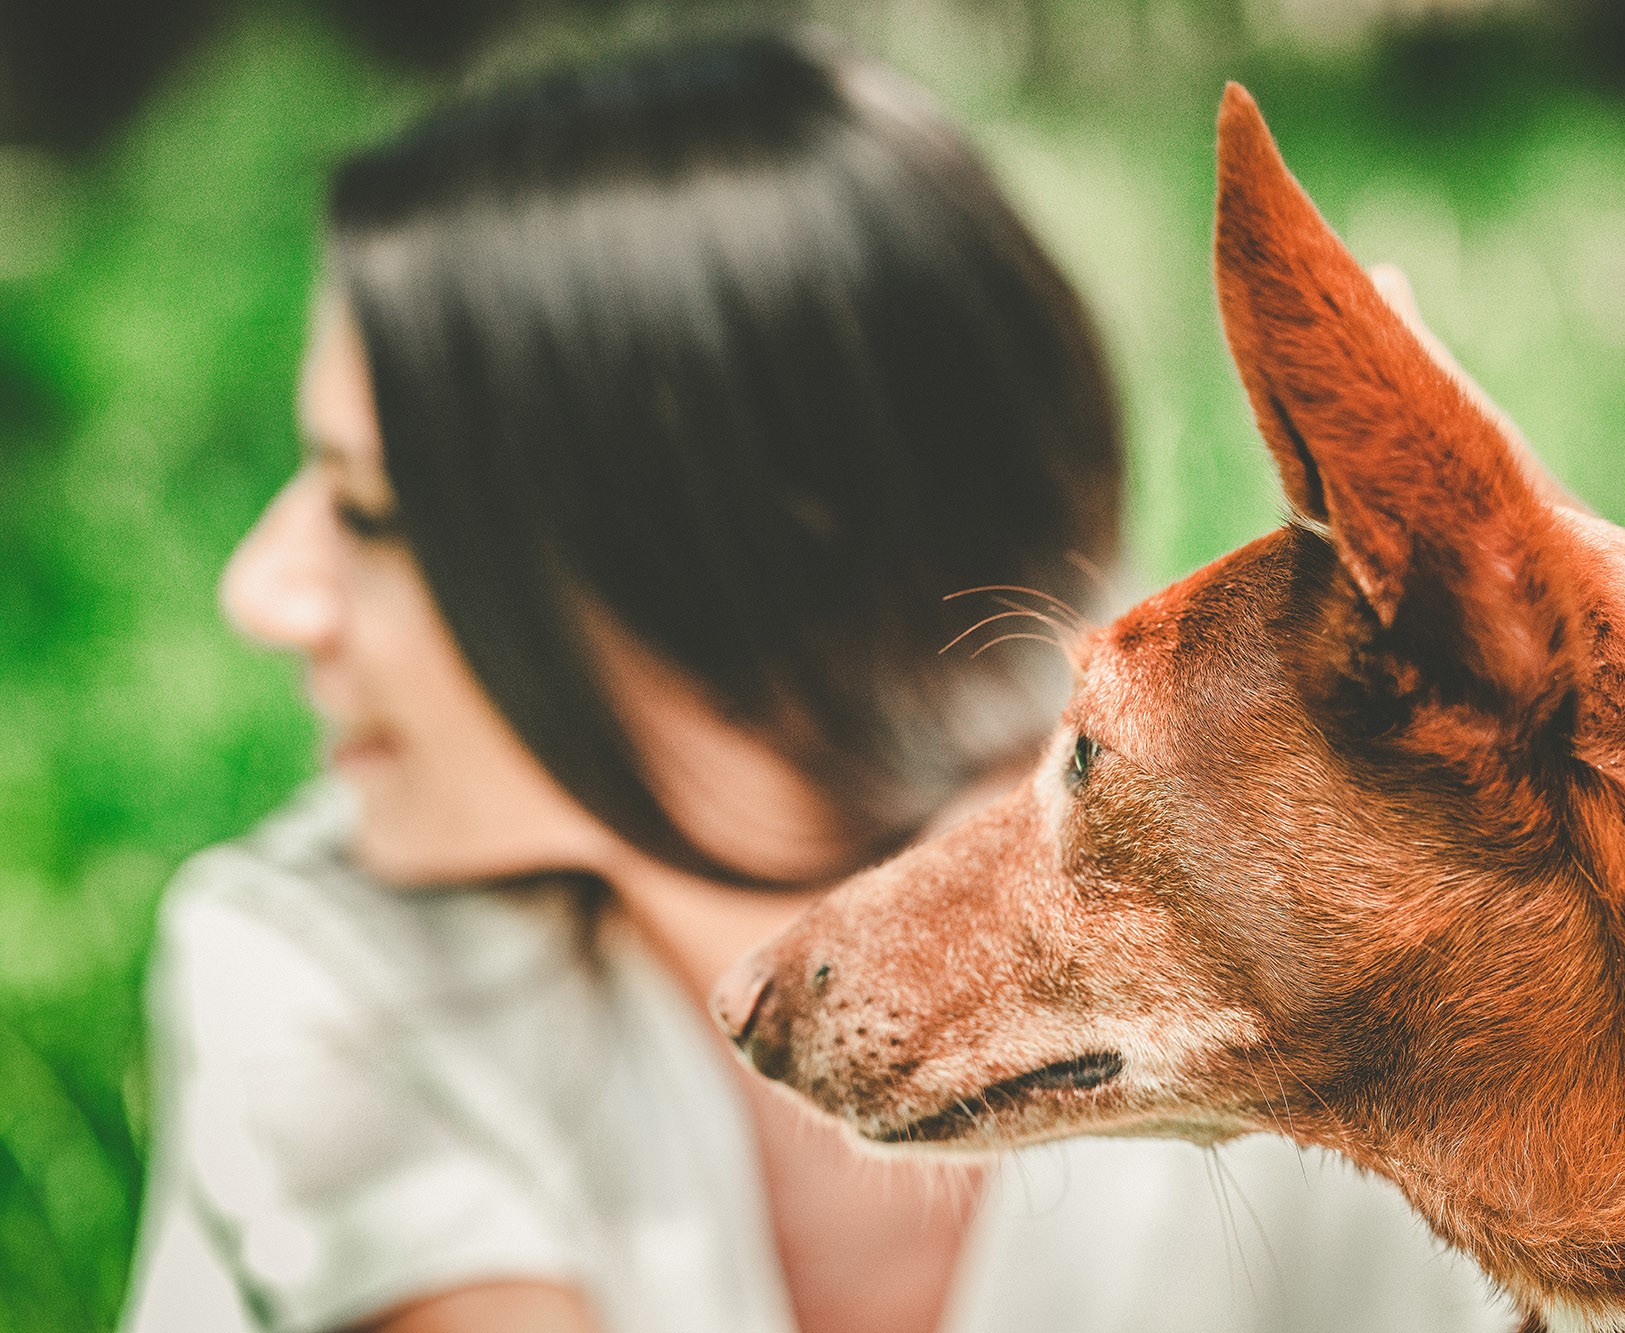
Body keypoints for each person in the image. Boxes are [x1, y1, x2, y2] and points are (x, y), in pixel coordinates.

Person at [120, 31, 1512, 1333]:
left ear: (743, 550)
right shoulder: (318, 966)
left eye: (371, 515)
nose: (263, 590)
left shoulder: (1349, 930)